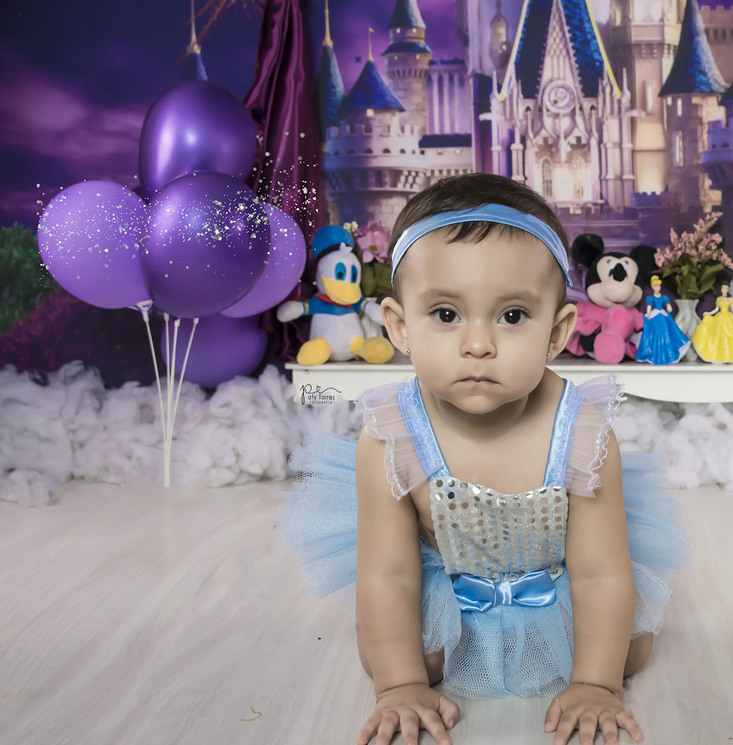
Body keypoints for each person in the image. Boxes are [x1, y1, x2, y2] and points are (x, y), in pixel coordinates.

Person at [277, 173, 686, 745]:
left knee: (628, 650)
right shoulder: (392, 438)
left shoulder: (582, 434)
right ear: (399, 327)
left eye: (512, 316)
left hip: (552, 579)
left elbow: (599, 571)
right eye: (446, 314)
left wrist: (595, 683)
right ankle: (426, 657)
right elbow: (389, 572)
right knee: (396, 655)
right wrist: (399, 686)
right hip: (448, 584)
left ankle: (576, 657)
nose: (477, 344)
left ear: (556, 332)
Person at [635, 276, 691, 365]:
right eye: (656, 286)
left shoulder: (664, 297)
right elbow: (649, 307)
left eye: (658, 285)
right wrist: (648, 313)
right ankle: (653, 354)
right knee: (654, 333)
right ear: (652, 287)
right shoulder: (650, 298)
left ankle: (667, 353)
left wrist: (669, 307)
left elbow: (668, 306)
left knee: (666, 332)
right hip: (655, 314)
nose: (658, 287)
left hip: (662, 314)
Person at [691, 283, 733, 364]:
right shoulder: (719, 299)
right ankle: (720, 356)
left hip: (728, 318)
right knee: (718, 336)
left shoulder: (730, 299)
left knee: (731, 335)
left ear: (728, 290)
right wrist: (709, 313)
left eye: (726, 288)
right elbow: (716, 309)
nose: (724, 290)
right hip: (720, 317)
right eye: (723, 288)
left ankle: (732, 356)